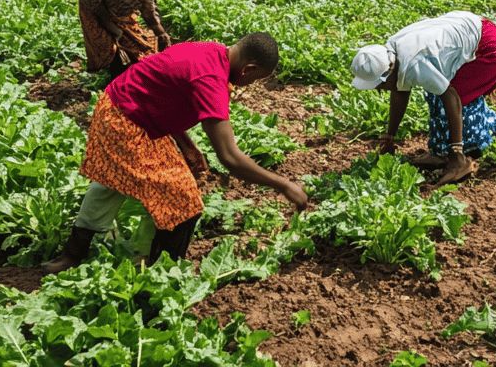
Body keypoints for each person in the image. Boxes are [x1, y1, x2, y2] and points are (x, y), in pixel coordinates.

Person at [42, 34, 308, 274]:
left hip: (122, 109)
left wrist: (187, 145)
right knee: (183, 202)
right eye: (254, 79)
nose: (249, 84)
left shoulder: (210, 49)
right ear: (248, 69)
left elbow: (164, 94)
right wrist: (283, 185)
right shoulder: (211, 80)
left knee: (115, 180)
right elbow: (230, 157)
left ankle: (75, 254)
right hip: (125, 123)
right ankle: (164, 272)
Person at [352, 10, 496, 187]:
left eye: (379, 86)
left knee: (454, 100)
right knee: (436, 93)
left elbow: (451, 96)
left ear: (387, 75)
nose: (380, 90)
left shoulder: (416, 63)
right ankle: (441, 154)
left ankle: (462, 159)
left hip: (489, 48)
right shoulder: (392, 54)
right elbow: (400, 91)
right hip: (473, 29)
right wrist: (390, 136)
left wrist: (456, 151)